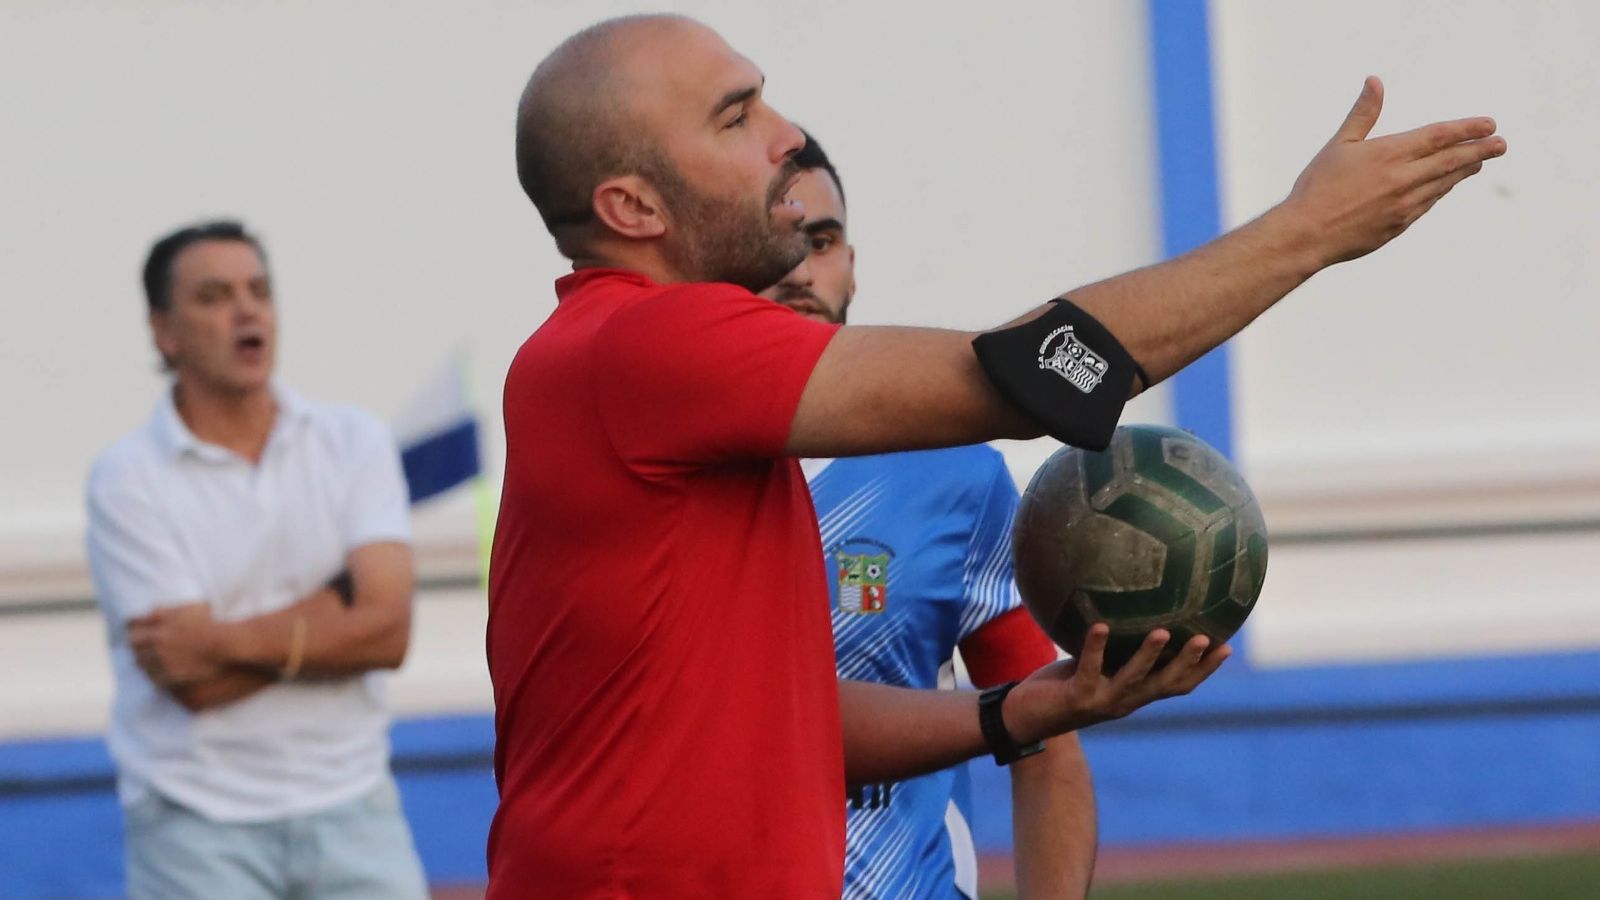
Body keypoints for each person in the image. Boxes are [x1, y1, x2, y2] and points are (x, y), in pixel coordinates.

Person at [489, 14, 1503, 898]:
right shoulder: (641, 348)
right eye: (735, 115)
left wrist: (1027, 709)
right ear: (632, 210)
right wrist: (1306, 231)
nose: (786, 135)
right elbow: (1027, 382)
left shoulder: (645, 381)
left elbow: (788, 722)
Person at [762, 132, 1097, 899]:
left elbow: (1043, 740)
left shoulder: (953, 474)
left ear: (851, 265)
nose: (800, 268)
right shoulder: (672, 471)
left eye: (822, 239)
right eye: (774, 241)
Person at [85, 220, 428, 899]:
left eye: (258, 291)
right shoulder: (126, 477)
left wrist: (217, 639)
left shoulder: (352, 441)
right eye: (213, 296)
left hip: (354, 802)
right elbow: (193, 685)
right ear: (164, 331)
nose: (246, 310)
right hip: (197, 825)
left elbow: (389, 633)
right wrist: (335, 609)